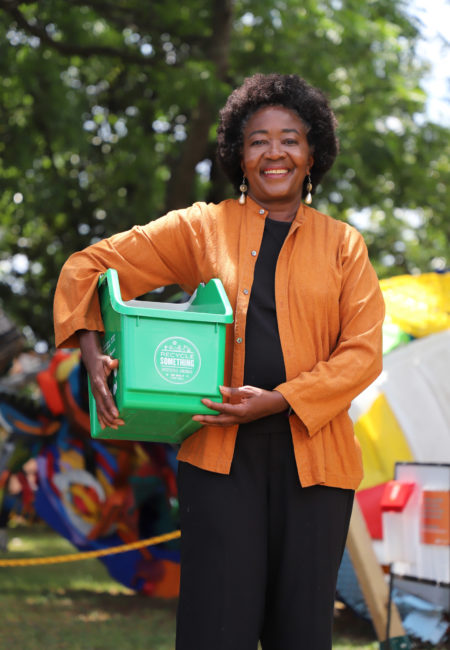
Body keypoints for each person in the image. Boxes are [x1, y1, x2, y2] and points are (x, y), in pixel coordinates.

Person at [54, 73, 385, 650]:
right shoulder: (202, 227)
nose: (275, 152)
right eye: (258, 140)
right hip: (218, 462)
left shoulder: (344, 245)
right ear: (238, 153)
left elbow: (362, 351)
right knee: (216, 629)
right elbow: (89, 266)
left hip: (318, 467)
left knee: (302, 633)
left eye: (291, 138)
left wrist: (281, 400)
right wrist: (90, 341)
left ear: (313, 154)